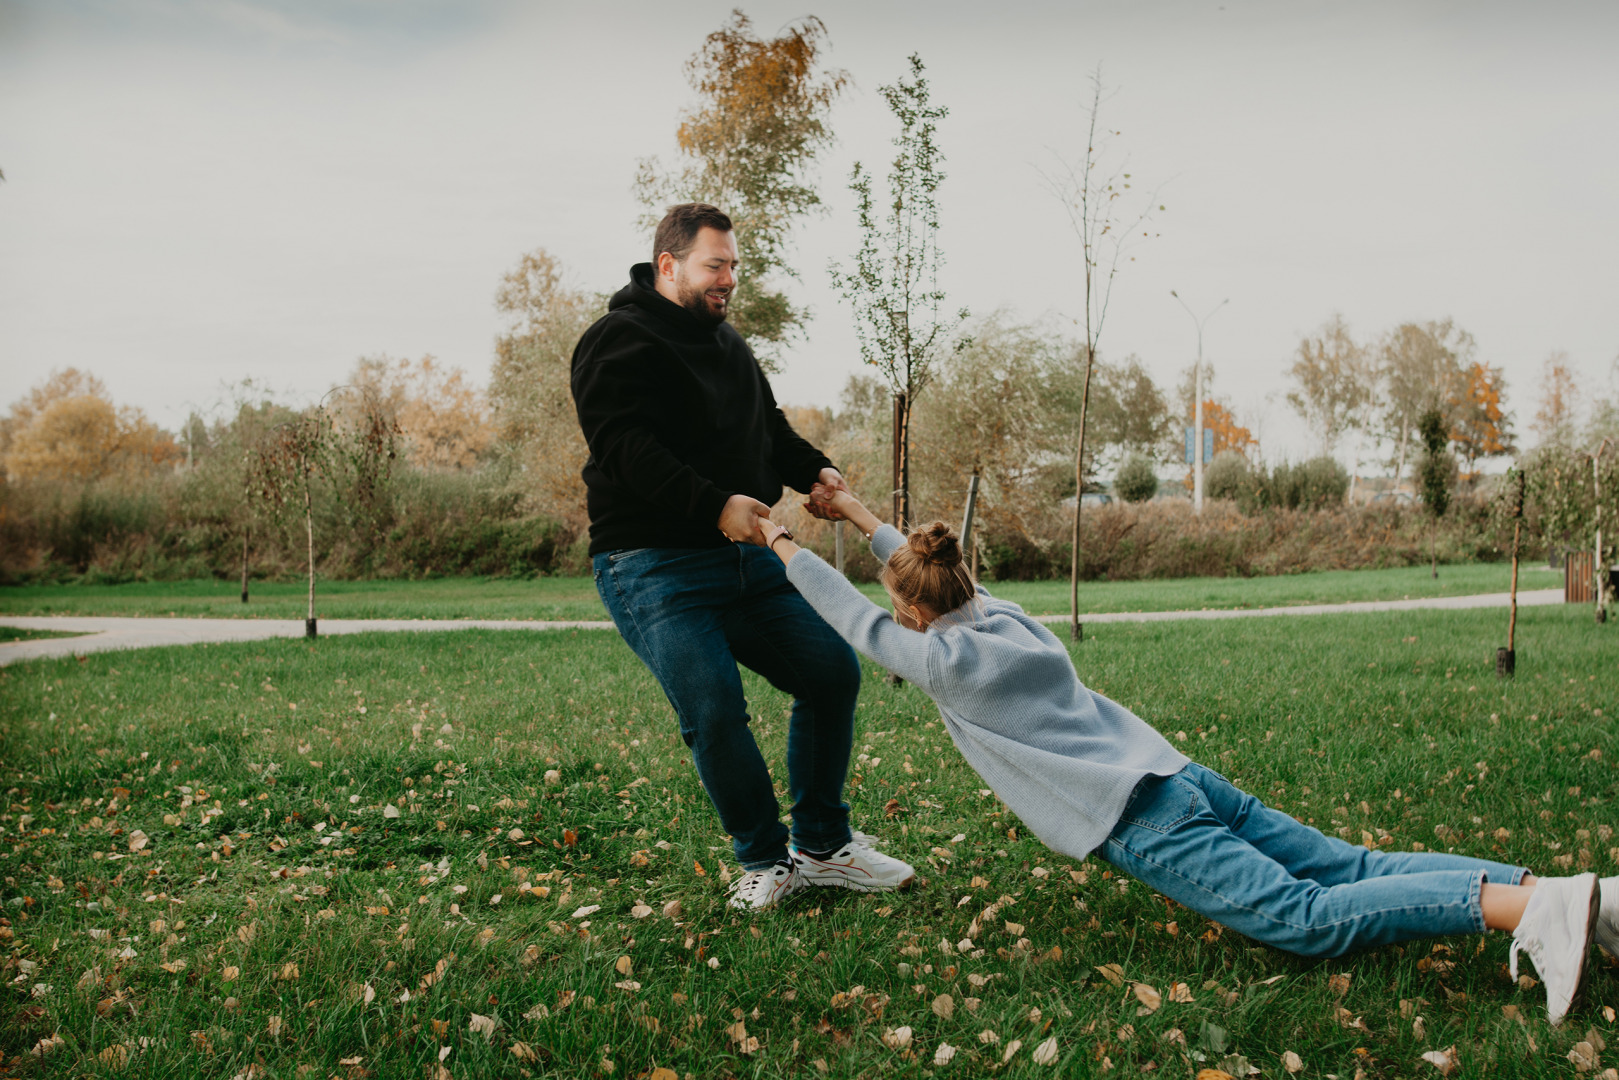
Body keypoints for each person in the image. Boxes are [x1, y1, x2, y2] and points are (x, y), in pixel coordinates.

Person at [755, 483, 1611, 1025]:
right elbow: (916, 573)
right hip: (1179, 774)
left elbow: (855, 618)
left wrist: (779, 541)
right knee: (1351, 867)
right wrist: (861, 515)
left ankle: (1534, 915)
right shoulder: (997, 616)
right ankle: (1581, 902)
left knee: (1302, 921)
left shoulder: (947, 660)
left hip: (1139, 818)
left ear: (910, 611)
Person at [570, 203, 914, 911]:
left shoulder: (726, 343)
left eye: (733, 266)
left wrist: (815, 471)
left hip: (747, 558)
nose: (728, 279)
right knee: (715, 707)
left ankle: (822, 849)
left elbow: (768, 430)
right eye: (714, 266)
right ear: (669, 266)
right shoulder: (615, 341)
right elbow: (625, 449)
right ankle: (763, 859)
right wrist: (712, 504)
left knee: (828, 674)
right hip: (652, 564)